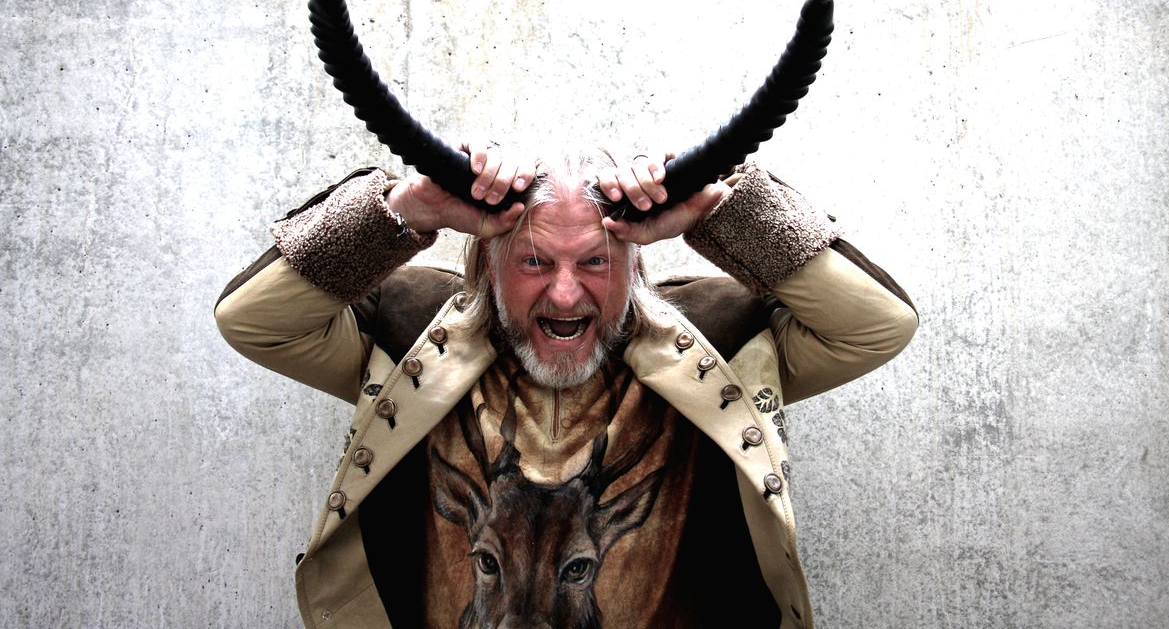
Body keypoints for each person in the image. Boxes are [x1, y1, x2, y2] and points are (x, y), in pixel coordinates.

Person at [215, 144, 918, 629]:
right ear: (489, 263)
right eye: (533, 261)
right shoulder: (412, 334)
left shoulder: (717, 341)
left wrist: (724, 212)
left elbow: (875, 328)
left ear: (635, 266)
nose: (563, 292)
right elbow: (255, 323)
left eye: (595, 262)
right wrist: (406, 210)